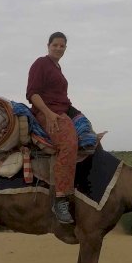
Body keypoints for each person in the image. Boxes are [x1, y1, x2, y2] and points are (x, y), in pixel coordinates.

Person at [26, 31, 79, 224]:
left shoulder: (58, 68)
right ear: (48, 46)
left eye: (62, 46)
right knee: (69, 143)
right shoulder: (41, 63)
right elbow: (32, 93)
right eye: (55, 45)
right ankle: (60, 199)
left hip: (63, 110)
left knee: (89, 138)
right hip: (47, 113)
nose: (58, 48)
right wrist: (48, 114)